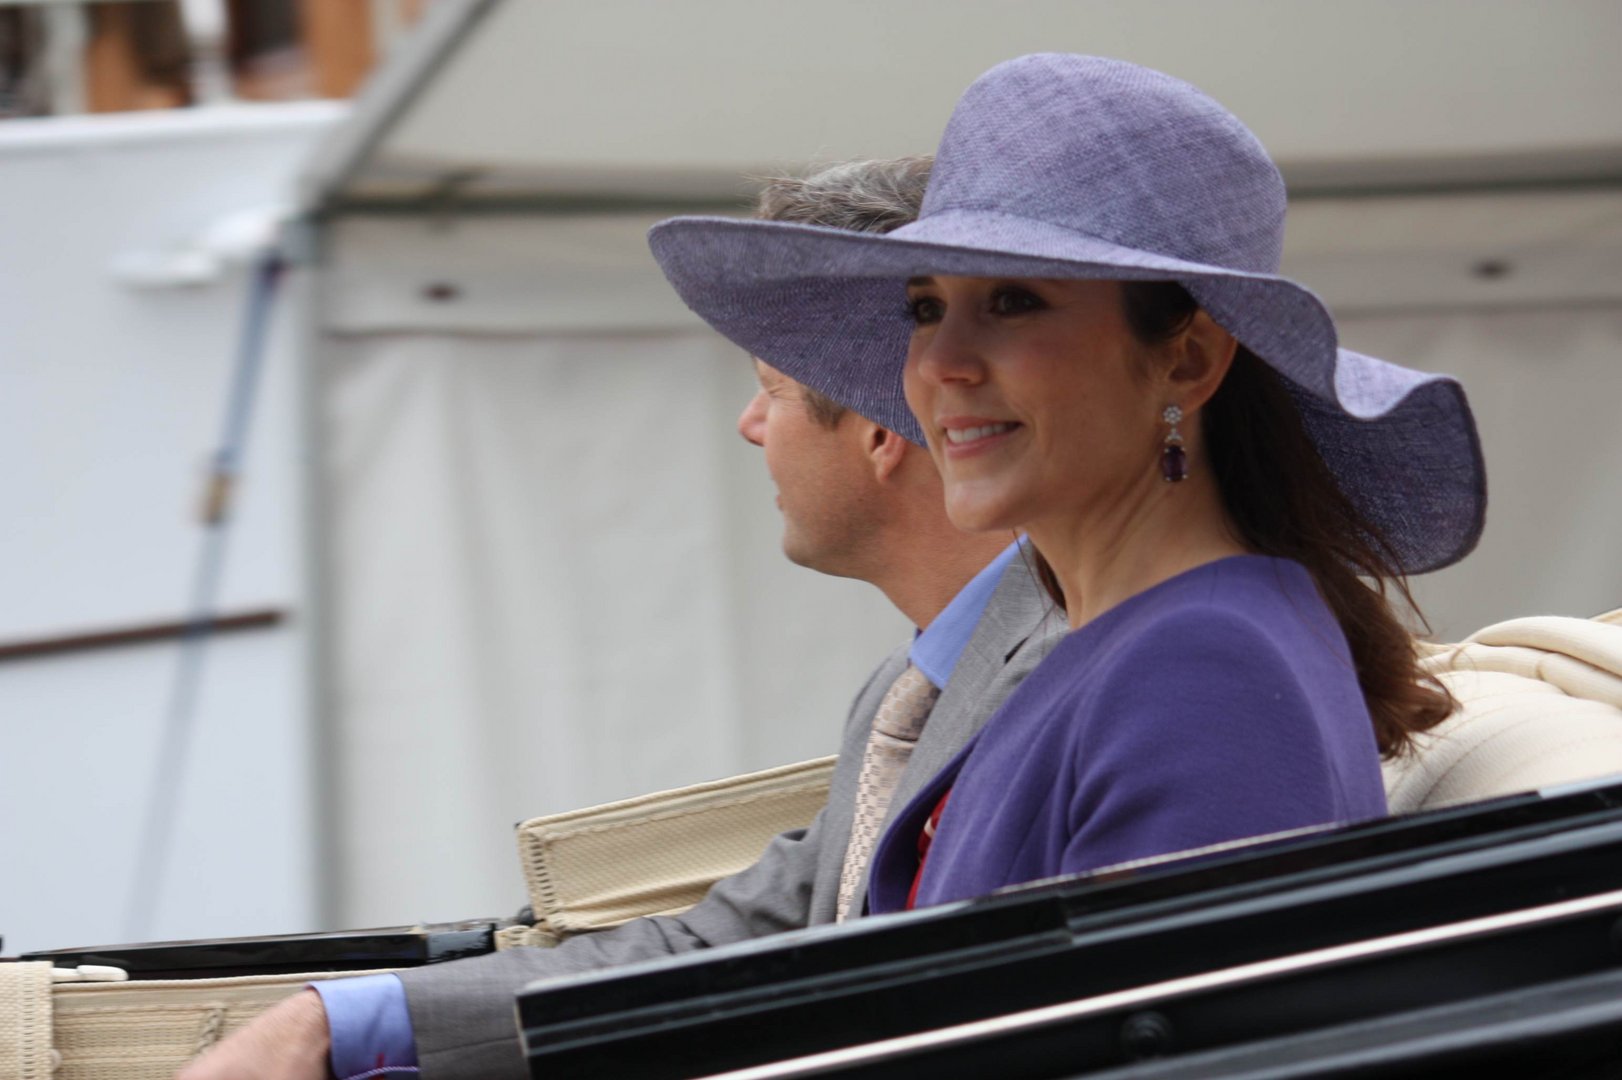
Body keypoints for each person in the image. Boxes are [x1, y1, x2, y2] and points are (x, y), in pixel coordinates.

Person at [179, 158, 1065, 1080]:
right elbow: (736, 942)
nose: (750, 424)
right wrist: (335, 1020)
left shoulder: (1067, 667)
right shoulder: (916, 687)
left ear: (883, 431)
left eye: (769, 385)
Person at [648, 54, 1485, 913]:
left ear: (1187, 359)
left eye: (1013, 302)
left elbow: (1164, 1038)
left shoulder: (1200, 660)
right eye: (926, 307)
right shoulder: (1128, 641)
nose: (940, 363)